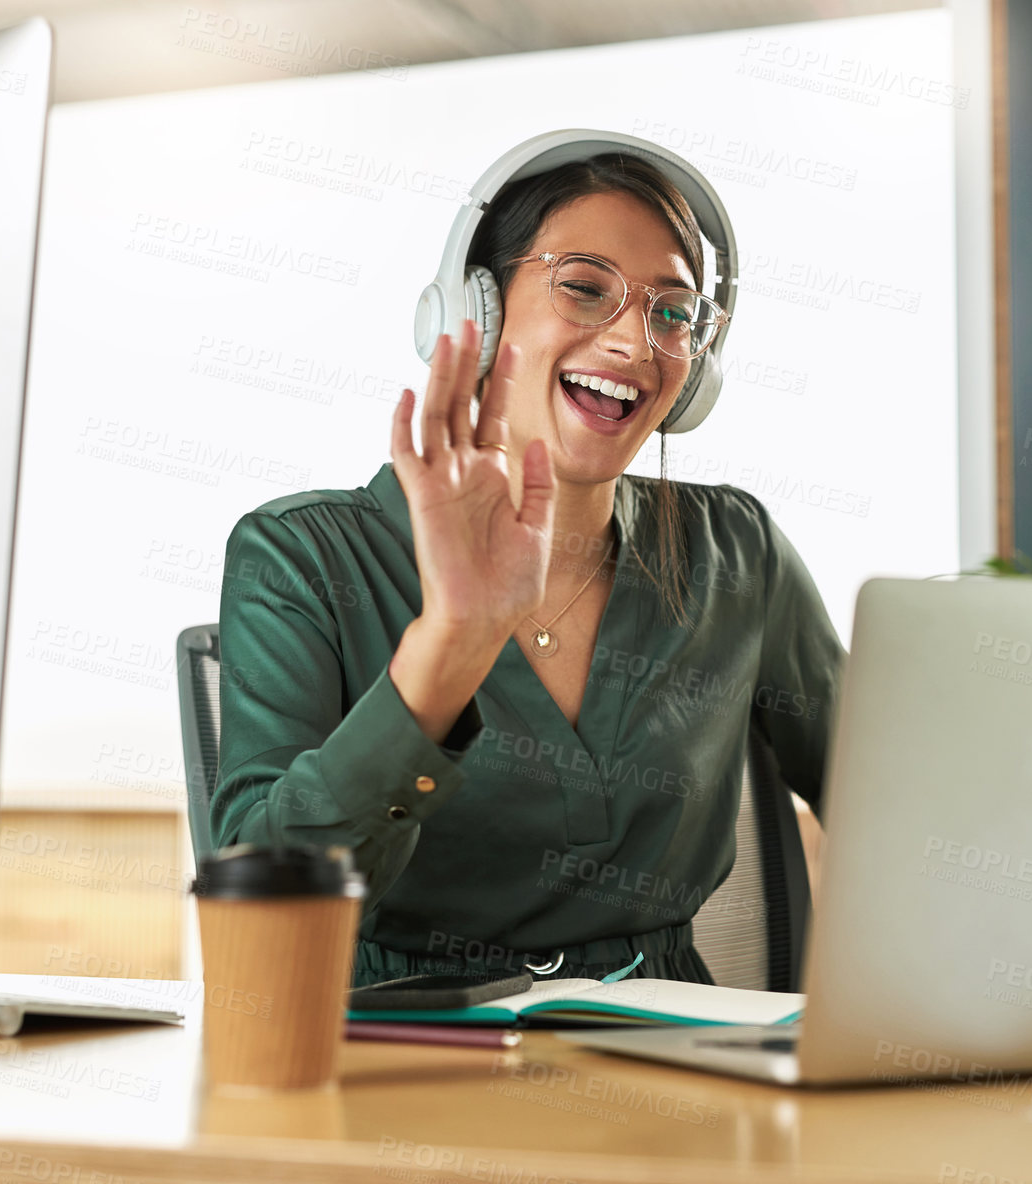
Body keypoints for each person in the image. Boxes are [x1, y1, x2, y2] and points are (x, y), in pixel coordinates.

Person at [213, 140, 847, 987]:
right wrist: (452, 643)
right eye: (585, 288)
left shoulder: (736, 552)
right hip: (397, 1061)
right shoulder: (302, 556)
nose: (634, 341)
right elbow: (261, 910)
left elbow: (894, 808)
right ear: (472, 317)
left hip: (678, 1070)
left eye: (672, 313)